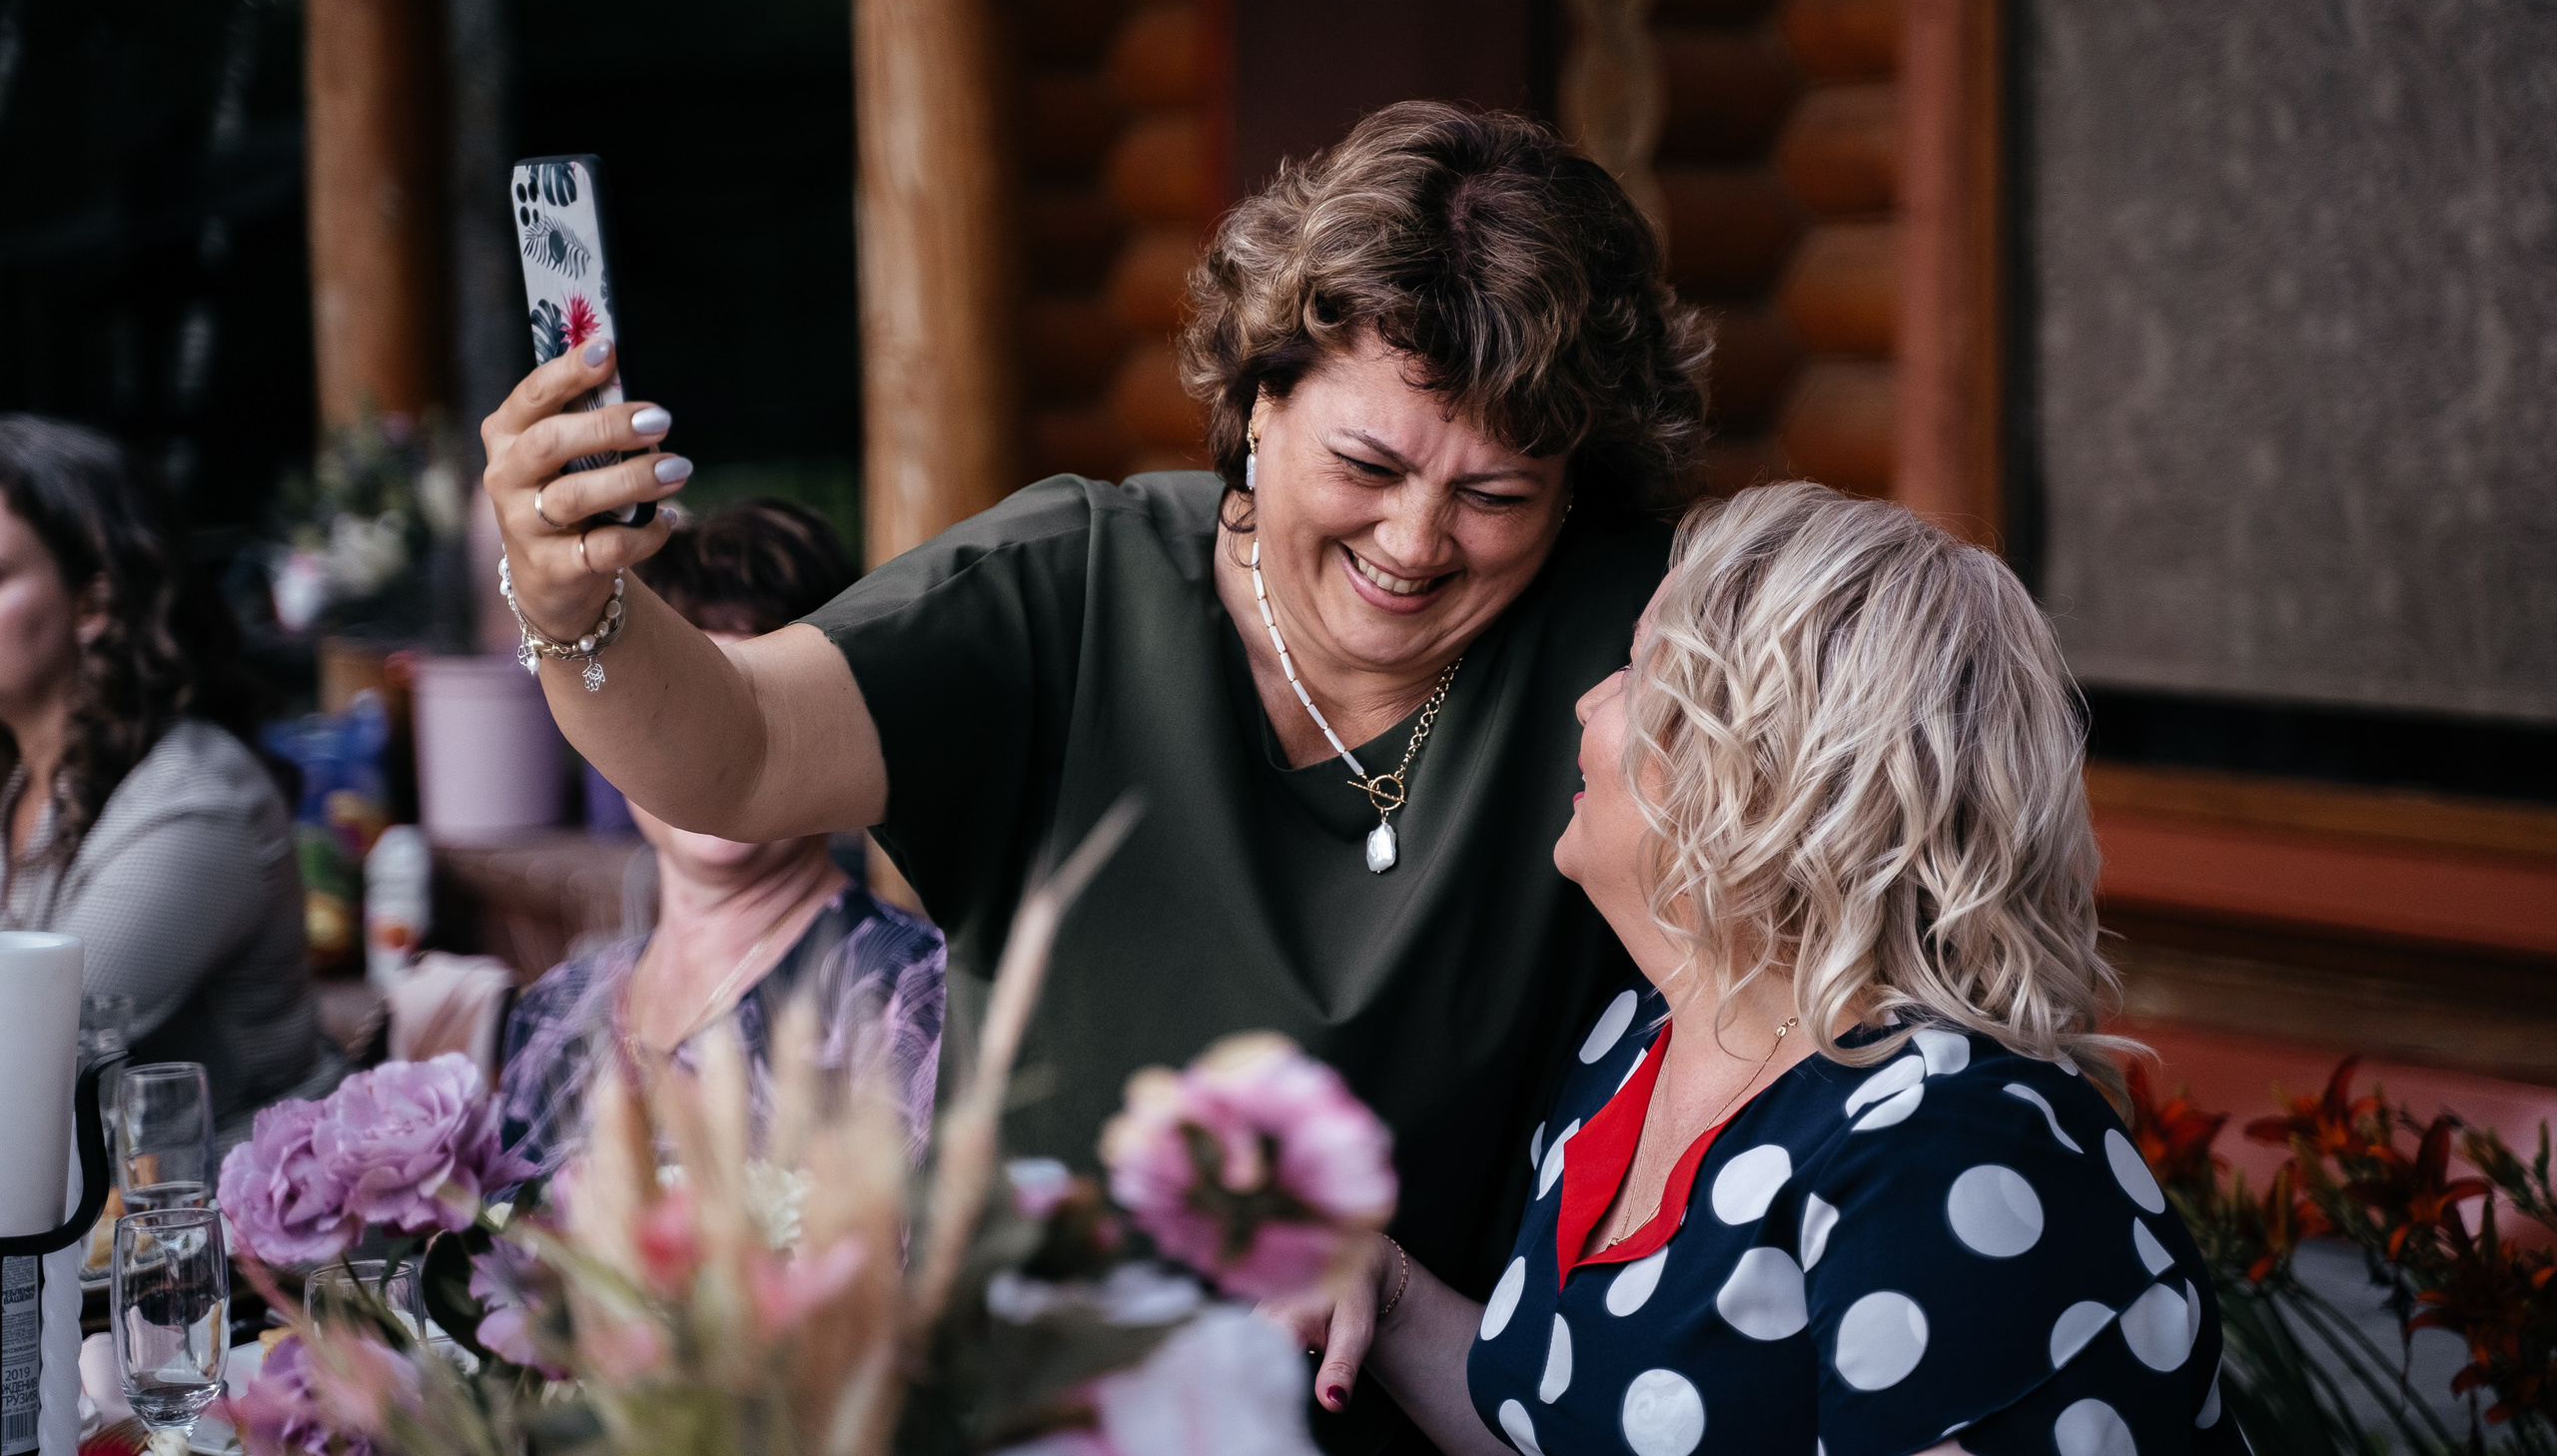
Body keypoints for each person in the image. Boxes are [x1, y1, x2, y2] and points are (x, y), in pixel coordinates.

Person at [481, 102, 1708, 1449]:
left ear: (1574, 492)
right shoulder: (1071, 588)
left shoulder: (1637, 640)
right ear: (1261, 403)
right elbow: (737, 748)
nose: (1416, 541)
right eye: (1368, 464)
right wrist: (574, 600)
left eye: (1496, 495)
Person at [1280, 481, 2240, 1456]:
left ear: (1762, 766)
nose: (1589, 701)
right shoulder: (1637, 1043)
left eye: (1637, 668)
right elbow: (1568, 1431)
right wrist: (1387, 1293)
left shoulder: (1946, 1146)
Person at [496, 499, 945, 1177]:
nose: (710, 755)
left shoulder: (903, 993)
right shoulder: (554, 1012)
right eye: (678, 710)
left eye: (744, 712)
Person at [0, 415, 329, 1137]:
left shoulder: (198, 802)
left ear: (93, 604)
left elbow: (23, 1053)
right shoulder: (22, 785)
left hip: (237, 1203)